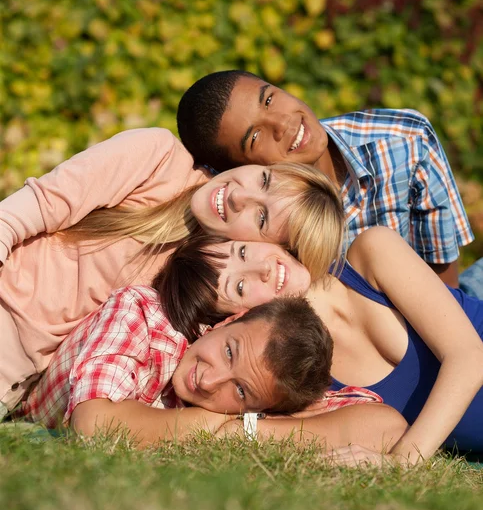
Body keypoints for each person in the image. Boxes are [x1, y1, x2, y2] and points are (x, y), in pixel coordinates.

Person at [0, 127, 344, 419]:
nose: (240, 195)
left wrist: (293, 276)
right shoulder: (160, 158)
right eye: (265, 179)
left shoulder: (209, 294)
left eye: (262, 219)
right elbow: (24, 212)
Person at [159, 229, 483, 464]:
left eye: (243, 252)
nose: (263, 269)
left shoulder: (370, 255)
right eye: (241, 287)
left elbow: (469, 357)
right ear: (239, 316)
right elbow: (378, 428)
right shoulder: (300, 378)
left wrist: (404, 461)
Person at [177, 70, 476, 292]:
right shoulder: (244, 233)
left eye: (269, 99)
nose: (282, 123)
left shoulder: (405, 141)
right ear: (236, 171)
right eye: (255, 138)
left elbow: (446, 280)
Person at [15, 289, 407, 453]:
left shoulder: (265, 403)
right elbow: (94, 425)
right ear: (227, 321)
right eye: (228, 351)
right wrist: (208, 427)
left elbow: (386, 426)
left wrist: (247, 432)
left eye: (240, 392)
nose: (209, 379)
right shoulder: (145, 314)